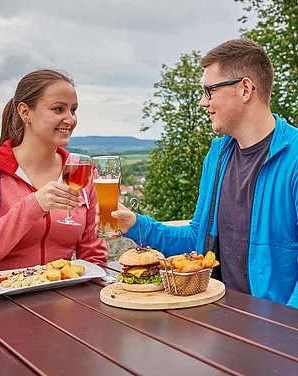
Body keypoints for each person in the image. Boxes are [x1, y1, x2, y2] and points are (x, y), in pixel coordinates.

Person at [110, 38, 298, 308]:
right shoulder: (218, 155)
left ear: (245, 89)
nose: (202, 102)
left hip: (275, 335)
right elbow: (196, 239)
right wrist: (134, 225)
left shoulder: (294, 158)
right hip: (219, 319)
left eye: (209, 91)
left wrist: (284, 333)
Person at [0, 69, 107, 282]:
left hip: (60, 301)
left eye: (73, 110)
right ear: (25, 112)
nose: (70, 119)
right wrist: (34, 206)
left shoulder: (80, 171)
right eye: (58, 109)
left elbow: (93, 257)